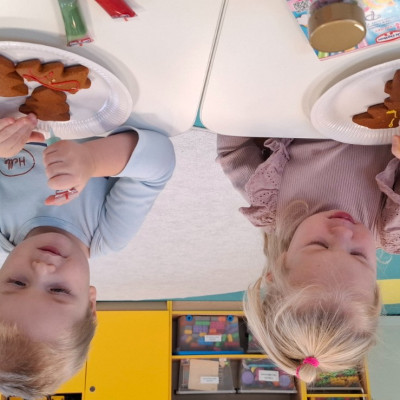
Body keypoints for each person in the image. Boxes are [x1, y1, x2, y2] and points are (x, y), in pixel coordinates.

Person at [0, 114, 175, 398]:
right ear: (91, 303)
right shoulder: (108, 233)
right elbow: (160, 158)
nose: (41, 268)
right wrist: (91, 160)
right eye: (58, 290)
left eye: (17, 282)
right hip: (104, 106)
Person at [217, 135, 400, 382]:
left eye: (319, 245)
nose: (343, 233)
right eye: (357, 255)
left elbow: (234, 150)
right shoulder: (390, 227)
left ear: (280, 266)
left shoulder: (271, 205)